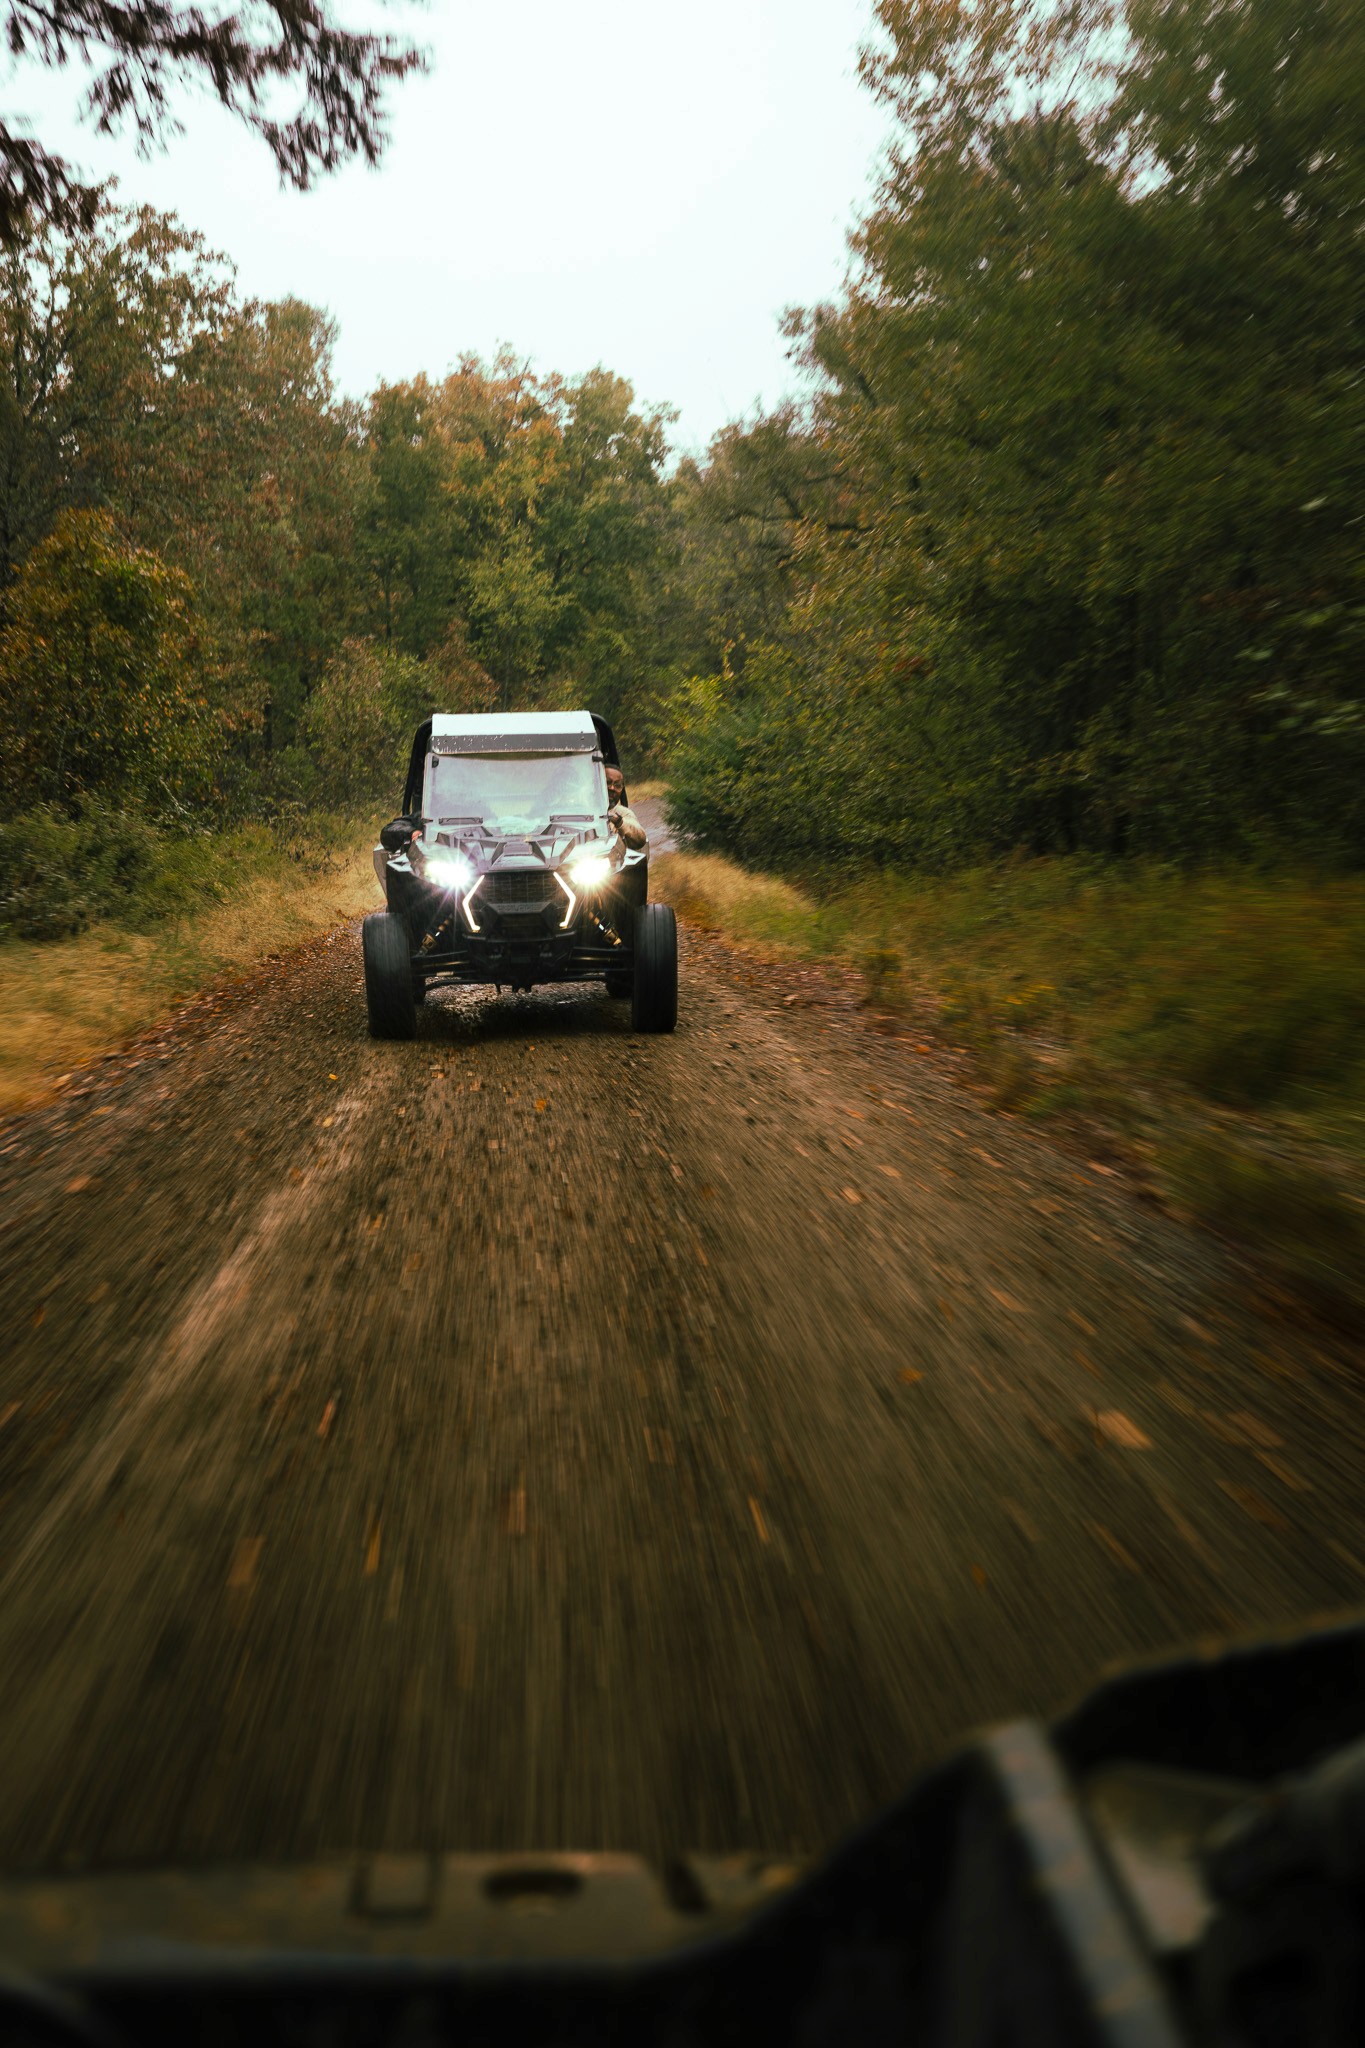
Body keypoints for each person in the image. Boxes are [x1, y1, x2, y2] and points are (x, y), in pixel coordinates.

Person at [605, 764, 647, 851]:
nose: (612, 788)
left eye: (617, 785)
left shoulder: (622, 813)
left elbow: (640, 839)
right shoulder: (580, 810)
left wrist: (619, 823)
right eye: (607, 782)